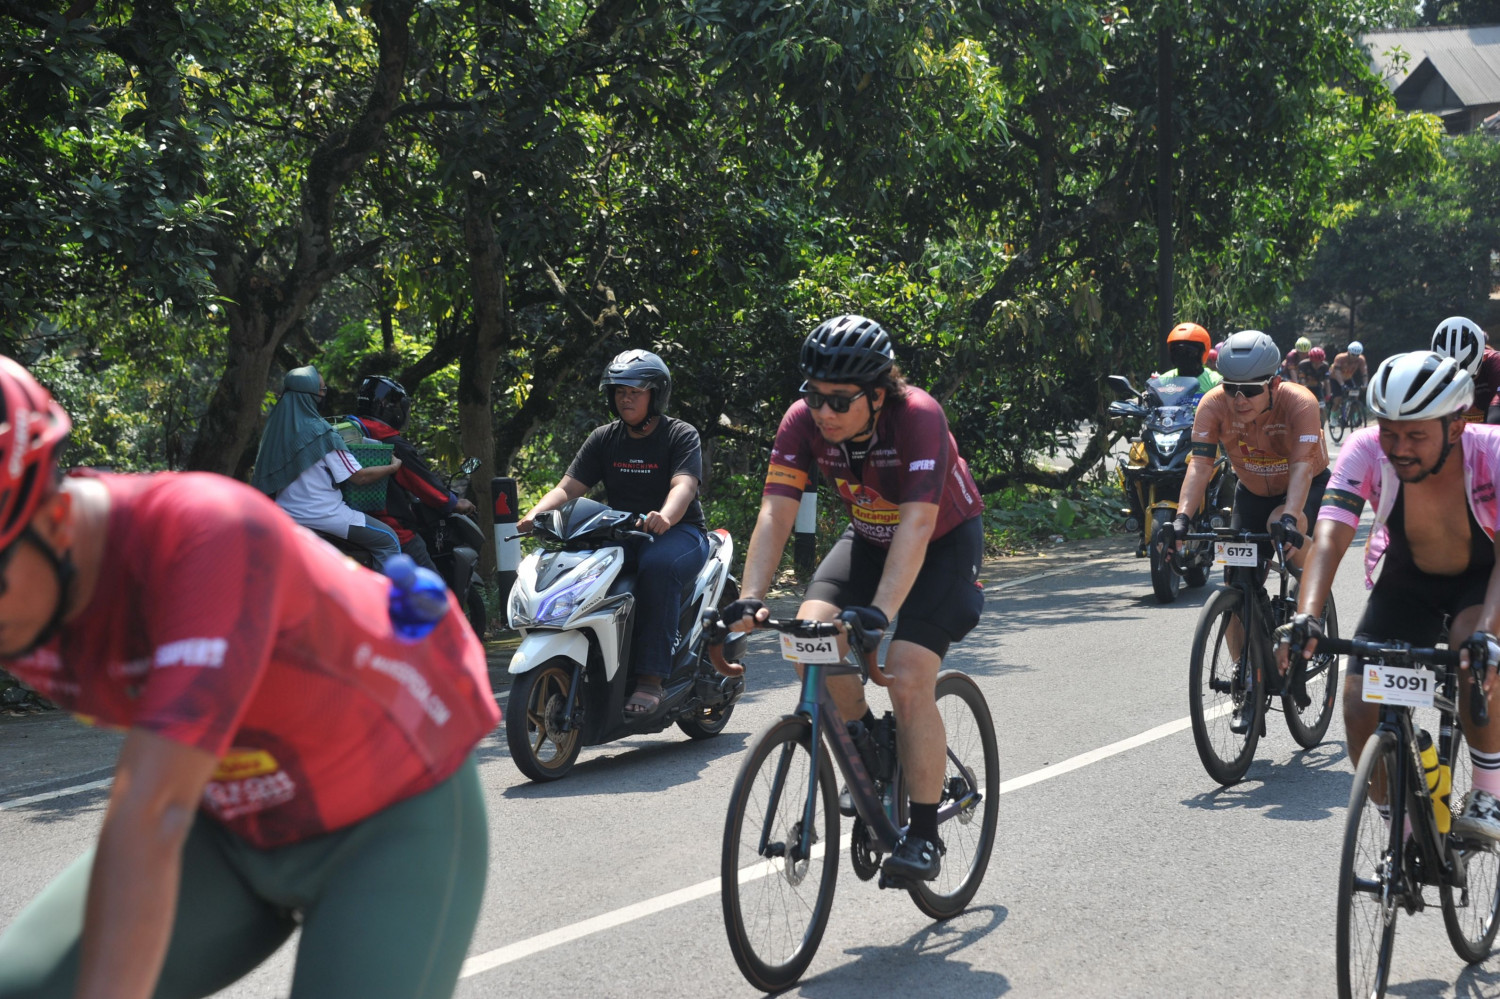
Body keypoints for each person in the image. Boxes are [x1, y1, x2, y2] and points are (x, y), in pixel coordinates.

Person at [0, 357, 500, 999]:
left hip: (390, 810)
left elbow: (150, 811)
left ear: (54, 521)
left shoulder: (202, 534)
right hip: (231, 822)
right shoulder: (30, 579)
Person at [723, 314, 986, 884]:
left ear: (877, 393)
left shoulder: (918, 417)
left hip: (941, 543)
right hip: (868, 539)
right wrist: (750, 597)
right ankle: (869, 746)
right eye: (814, 396)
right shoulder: (802, 422)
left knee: (908, 673)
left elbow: (918, 524)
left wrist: (880, 615)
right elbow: (776, 510)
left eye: (839, 401)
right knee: (806, 642)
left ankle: (923, 835)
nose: (823, 412)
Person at [1279, 351, 1500, 842]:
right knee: (1359, 705)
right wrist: (1307, 615)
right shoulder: (1365, 448)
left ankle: (1489, 790)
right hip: (1407, 583)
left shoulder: (1493, 453)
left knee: (1473, 657)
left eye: (1416, 435)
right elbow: (1330, 537)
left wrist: (1489, 632)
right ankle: (1399, 832)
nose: (1399, 448)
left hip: (1481, 581)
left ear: (1456, 426)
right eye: (1390, 432)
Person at [517, 349, 708, 716]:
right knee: (578, 568)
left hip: (679, 533)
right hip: (623, 532)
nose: (626, 398)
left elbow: (684, 485)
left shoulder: (680, 434)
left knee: (657, 567)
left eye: (635, 391)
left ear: (656, 395)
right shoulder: (604, 438)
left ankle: (650, 677)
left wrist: (666, 516)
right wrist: (534, 515)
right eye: (620, 391)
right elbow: (568, 488)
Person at [1160, 330, 1330, 729]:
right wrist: (1182, 519)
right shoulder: (1212, 404)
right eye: (1230, 387)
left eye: (1250, 390)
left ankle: (1311, 604)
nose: (1238, 399)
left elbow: (1302, 466)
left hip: (1303, 485)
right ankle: (1248, 681)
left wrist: (1290, 517)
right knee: (1236, 579)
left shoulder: (1300, 402)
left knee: (1281, 531)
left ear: (1274, 383)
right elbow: (1200, 465)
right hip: (1251, 492)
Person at [251, 365, 403, 568]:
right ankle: (384, 590)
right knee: (389, 539)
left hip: (283, 515)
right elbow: (360, 477)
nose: (324, 394)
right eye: (321, 390)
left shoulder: (273, 432)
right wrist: (393, 467)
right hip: (323, 514)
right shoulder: (321, 433)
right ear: (309, 396)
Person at [344, 375, 477, 573]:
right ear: (389, 408)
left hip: (351, 520)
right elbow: (422, 483)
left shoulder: (350, 435)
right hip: (389, 524)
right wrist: (453, 502)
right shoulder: (392, 444)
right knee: (431, 583)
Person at [1431, 316, 1500, 425]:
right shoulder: (1431, 368)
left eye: (1470, 378)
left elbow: (1496, 418)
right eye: (1452, 378)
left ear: (1483, 357)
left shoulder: (1496, 362)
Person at [1157, 321, 1223, 396]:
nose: (1182, 356)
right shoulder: (1162, 381)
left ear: (1202, 352)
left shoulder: (1215, 382)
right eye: (1177, 351)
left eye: (1189, 351)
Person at [1328, 341, 1368, 418]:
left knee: (1355, 396)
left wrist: (1365, 384)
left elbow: (1364, 373)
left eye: (1357, 355)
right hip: (1335, 379)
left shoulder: (1361, 359)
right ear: (1348, 352)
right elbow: (1337, 373)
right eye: (1353, 355)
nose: (1355, 357)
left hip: (1348, 378)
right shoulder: (1340, 358)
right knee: (1338, 399)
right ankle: (1333, 417)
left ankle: (1353, 416)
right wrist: (1342, 385)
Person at [1298, 346, 1333, 423]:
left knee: (1322, 406)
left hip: (1317, 387)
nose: (1317, 365)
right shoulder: (1303, 364)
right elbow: (1302, 380)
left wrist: (1328, 395)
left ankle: (1324, 423)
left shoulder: (1325, 366)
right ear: (1310, 360)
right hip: (1305, 387)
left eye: (1319, 363)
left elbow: (1327, 381)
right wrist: (1304, 392)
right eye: (1315, 363)